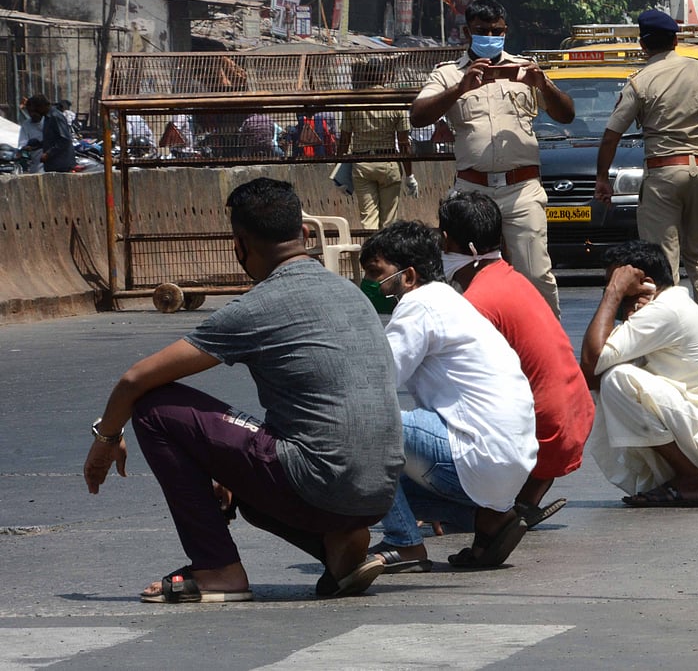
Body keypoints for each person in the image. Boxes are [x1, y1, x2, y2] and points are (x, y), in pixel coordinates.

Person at [82, 178, 404, 601]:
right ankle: (336, 546)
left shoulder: (255, 307)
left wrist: (106, 438)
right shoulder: (350, 293)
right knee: (250, 495)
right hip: (380, 492)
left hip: (319, 482)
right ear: (305, 234)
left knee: (153, 408)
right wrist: (234, 469)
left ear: (239, 245)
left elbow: (135, 380)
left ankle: (217, 570)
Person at [361, 221, 537, 570]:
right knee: (369, 489)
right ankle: (490, 519)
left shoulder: (418, 307)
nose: (369, 283)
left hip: (476, 454)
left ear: (408, 277)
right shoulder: (450, 302)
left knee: (364, 426)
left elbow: (377, 386)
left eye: (375, 273)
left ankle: (404, 543)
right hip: (507, 466)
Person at [438, 191, 594, 527]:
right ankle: (519, 500)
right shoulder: (513, 279)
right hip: (572, 420)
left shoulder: (478, 301)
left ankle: (488, 507)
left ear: (449, 242)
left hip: (545, 433)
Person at [411, 0, 574, 316]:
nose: (490, 36)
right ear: (467, 32)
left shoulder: (525, 68)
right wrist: (460, 88)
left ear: (505, 30)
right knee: (467, 273)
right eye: (482, 30)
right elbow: (418, 116)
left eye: (496, 31)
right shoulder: (449, 74)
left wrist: (542, 84)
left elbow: (566, 114)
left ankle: (546, 344)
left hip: (521, 190)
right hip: (473, 192)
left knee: (535, 274)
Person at [581, 240, 698, 507]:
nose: (609, 292)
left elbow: (592, 364)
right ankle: (688, 475)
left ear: (644, 282)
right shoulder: (667, 305)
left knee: (618, 380)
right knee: (613, 379)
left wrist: (613, 295)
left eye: (616, 284)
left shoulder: (665, 310)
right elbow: (594, 375)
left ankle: (692, 479)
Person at [597, 9, 698, 301]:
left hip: (664, 172)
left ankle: (670, 323)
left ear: (643, 44)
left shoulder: (641, 81)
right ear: (676, 40)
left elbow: (612, 134)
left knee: (662, 257)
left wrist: (602, 177)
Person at [340, 58, 419, 229]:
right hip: (388, 161)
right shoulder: (395, 101)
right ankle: (386, 254)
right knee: (389, 220)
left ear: (365, 77)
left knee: (368, 218)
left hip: (361, 164)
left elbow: (345, 139)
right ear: (384, 76)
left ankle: (370, 252)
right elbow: (404, 143)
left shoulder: (352, 101)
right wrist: (410, 175)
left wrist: (341, 168)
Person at [23, 95, 74, 172]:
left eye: (35, 109)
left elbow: (65, 139)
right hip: (53, 165)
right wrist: (37, 146)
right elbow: (52, 139)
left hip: (61, 165)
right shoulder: (47, 117)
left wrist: (48, 154)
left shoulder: (55, 116)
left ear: (41, 107)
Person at [17, 99, 44, 174]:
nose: (32, 114)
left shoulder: (48, 121)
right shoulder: (26, 124)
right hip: (35, 162)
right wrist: (25, 147)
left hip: (50, 162)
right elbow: (22, 143)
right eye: (30, 111)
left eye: (34, 111)